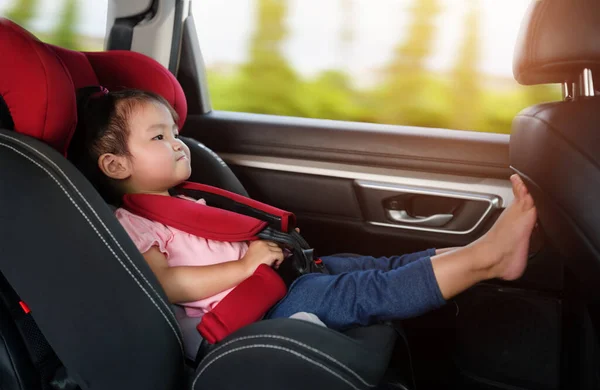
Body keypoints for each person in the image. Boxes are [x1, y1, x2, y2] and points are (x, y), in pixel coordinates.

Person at [75, 88, 537, 331]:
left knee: (370, 266)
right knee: (368, 291)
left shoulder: (182, 202)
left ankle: (481, 250)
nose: (177, 144)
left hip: (282, 282)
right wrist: (247, 266)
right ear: (115, 164)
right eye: (159, 138)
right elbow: (169, 285)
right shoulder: (132, 223)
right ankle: (486, 259)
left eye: (175, 133)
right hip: (254, 312)